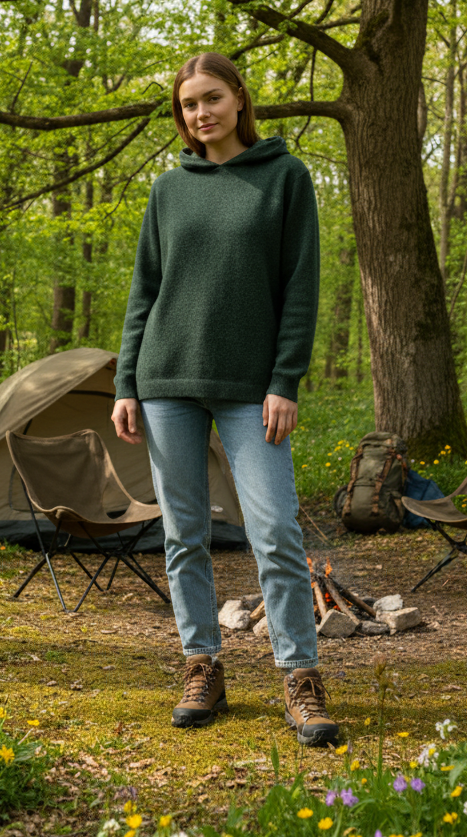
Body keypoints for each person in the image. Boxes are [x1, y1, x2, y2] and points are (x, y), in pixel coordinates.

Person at [110, 52, 339, 747]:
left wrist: (285, 379)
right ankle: (202, 664)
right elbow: (144, 290)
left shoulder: (286, 178)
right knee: (184, 535)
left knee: (275, 533)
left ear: (239, 98)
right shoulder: (167, 191)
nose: (200, 113)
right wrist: (125, 381)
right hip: (165, 381)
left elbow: (300, 288)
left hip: (252, 390)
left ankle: (300, 676)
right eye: (188, 105)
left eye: (212, 98)